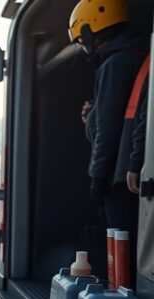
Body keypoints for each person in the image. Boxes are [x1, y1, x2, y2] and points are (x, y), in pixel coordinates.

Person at [71, 0, 149, 240]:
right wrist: (93, 114)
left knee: (120, 247)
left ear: (90, 30)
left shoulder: (115, 64)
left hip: (119, 178)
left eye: (82, 38)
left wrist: (97, 177)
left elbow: (108, 128)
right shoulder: (138, 57)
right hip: (132, 172)